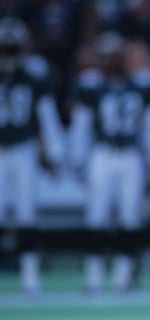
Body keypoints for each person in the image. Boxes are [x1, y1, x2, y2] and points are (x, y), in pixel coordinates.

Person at [69, 32, 150, 293]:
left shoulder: (142, 85)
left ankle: (123, 276)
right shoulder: (92, 86)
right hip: (102, 153)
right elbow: (82, 125)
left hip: (131, 155)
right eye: (107, 57)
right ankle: (94, 276)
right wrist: (78, 158)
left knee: (130, 216)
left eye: (115, 56)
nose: (111, 62)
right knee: (96, 215)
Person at [0, 16, 65, 294]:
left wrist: (54, 151)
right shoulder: (32, 73)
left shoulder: (34, 74)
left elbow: (47, 116)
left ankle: (29, 275)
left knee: (27, 212)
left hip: (24, 148)